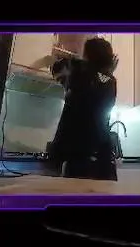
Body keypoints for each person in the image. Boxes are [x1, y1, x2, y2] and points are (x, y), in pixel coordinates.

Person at [48, 37, 119, 181]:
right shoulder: (111, 81)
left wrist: (59, 56)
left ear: (87, 56)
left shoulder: (78, 70)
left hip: (77, 154)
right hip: (103, 155)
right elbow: (99, 81)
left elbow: (56, 70)